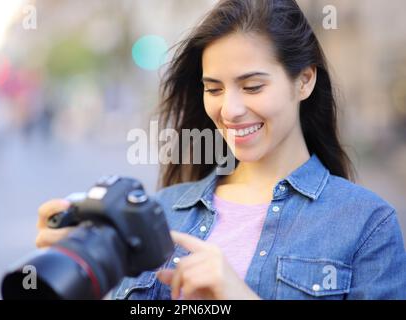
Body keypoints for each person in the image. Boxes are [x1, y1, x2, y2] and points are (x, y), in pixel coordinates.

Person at [35, 0, 406, 299]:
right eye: (214, 89)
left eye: (253, 86)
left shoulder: (366, 225)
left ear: (304, 81)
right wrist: (79, 270)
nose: (229, 110)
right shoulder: (161, 211)